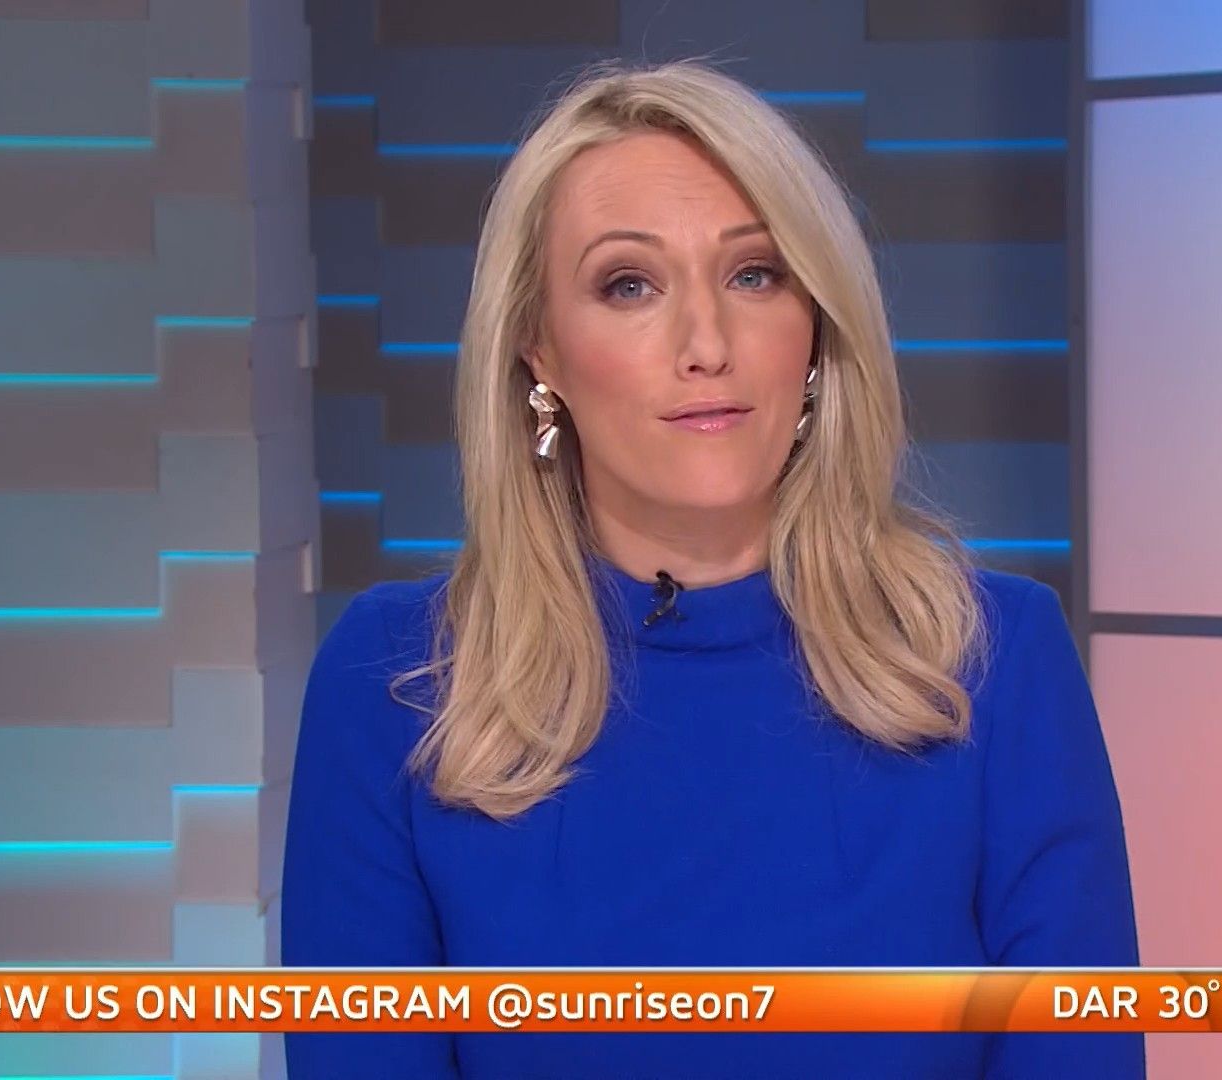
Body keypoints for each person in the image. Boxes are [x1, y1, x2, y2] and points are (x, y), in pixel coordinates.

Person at [281, 57, 1142, 1078]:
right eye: (629, 285)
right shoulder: (396, 684)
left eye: (754, 274)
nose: (707, 344)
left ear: (815, 326)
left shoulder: (993, 663)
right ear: (538, 349)